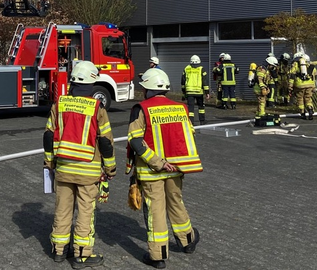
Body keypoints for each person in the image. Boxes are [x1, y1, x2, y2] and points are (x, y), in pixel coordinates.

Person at [127, 67, 202, 269]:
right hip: (176, 169)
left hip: (152, 171)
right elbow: (189, 137)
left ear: (148, 89)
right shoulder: (180, 108)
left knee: (155, 211)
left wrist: (158, 162)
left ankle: (157, 255)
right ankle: (187, 240)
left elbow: (136, 142)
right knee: (176, 203)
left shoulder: (141, 109)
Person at [44, 60, 116, 268]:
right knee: (85, 212)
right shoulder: (97, 108)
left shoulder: (59, 104)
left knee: (62, 209)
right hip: (88, 171)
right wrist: (110, 168)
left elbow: (48, 136)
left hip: (63, 169)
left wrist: (49, 162)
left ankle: (59, 250)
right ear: (92, 82)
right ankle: (82, 254)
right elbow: (105, 142)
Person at [181, 55, 209, 125]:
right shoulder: (201, 69)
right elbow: (204, 81)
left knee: (190, 108)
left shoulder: (186, 69)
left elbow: (183, 81)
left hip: (189, 92)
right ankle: (202, 121)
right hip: (199, 92)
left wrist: (184, 92)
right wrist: (207, 92)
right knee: (201, 107)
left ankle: (191, 122)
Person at [292, 53, 317, 120]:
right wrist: (314, 87)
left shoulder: (296, 65)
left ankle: (302, 114)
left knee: (300, 99)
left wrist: (290, 86)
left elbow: (292, 75)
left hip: (300, 85)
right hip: (310, 85)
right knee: (308, 99)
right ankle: (310, 110)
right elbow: (314, 77)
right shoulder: (312, 66)